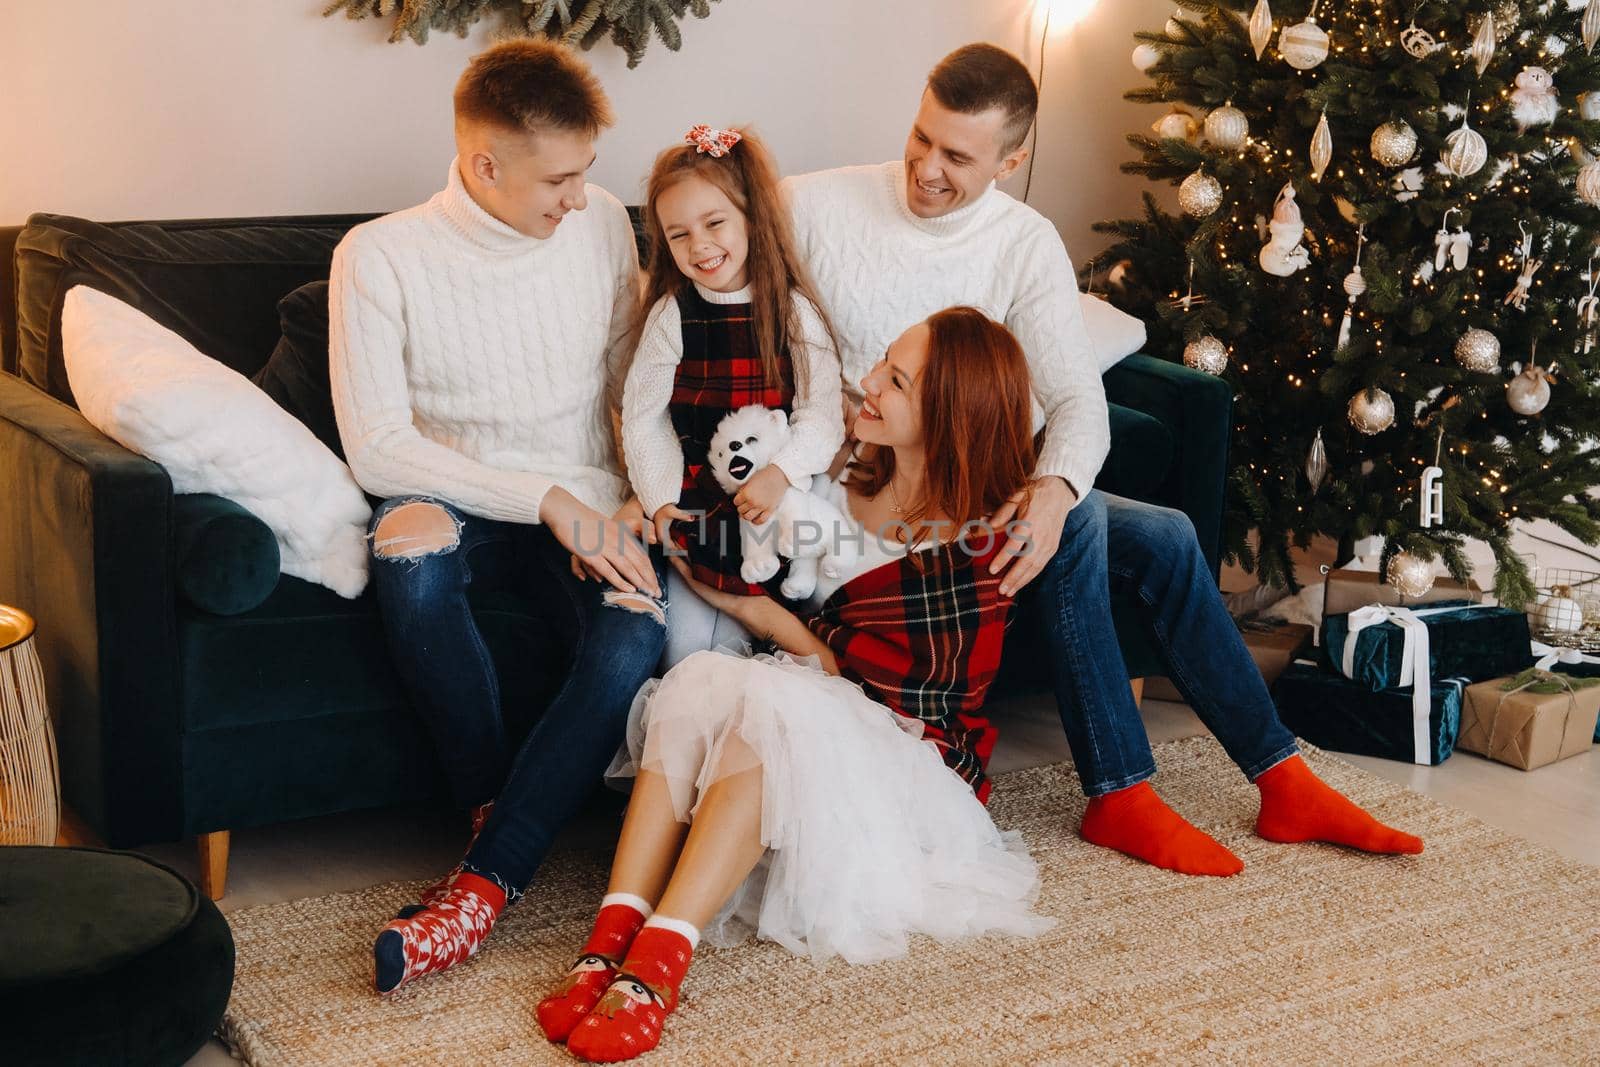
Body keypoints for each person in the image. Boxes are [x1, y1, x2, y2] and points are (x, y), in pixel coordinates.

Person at [780, 43, 1422, 878]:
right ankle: (1119, 789)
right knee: (1087, 515)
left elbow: (1080, 402)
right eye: (922, 138)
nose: (927, 169)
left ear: (1012, 161)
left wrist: (1049, 487)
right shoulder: (817, 206)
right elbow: (725, 261)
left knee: (1158, 531)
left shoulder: (1023, 243)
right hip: (875, 491)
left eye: (958, 156)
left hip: (976, 490)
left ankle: (1282, 774)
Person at [536, 309, 1052, 1062]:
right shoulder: (840, 465)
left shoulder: (980, 546)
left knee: (768, 710)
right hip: (819, 702)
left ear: (945, 415)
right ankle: (608, 938)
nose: (868, 384)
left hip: (910, 757)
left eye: (897, 383)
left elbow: (896, 692)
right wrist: (649, 511)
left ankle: (657, 965)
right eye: (883, 363)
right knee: (698, 689)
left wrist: (773, 624)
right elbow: (729, 508)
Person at [327, 39, 670, 995]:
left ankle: (479, 889)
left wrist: (644, 490)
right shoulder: (380, 255)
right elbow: (378, 447)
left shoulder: (600, 223)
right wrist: (545, 501)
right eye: (556, 178)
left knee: (640, 626)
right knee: (408, 553)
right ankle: (494, 809)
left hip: (589, 486)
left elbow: (630, 380)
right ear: (483, 165)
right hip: (458, 492)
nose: (579, 197)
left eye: (586, 171)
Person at [620, 124, 844, 667]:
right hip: (701, 502)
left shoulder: (792, 312)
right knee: (689, 652)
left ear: (751, 217)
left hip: (780, 496)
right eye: (677, 235)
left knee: (807, 618)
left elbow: (822, 415)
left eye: (714, 222)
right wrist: (661, 500)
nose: (698, 246)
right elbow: (643, 420)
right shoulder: (672, 315)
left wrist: (782, 473)